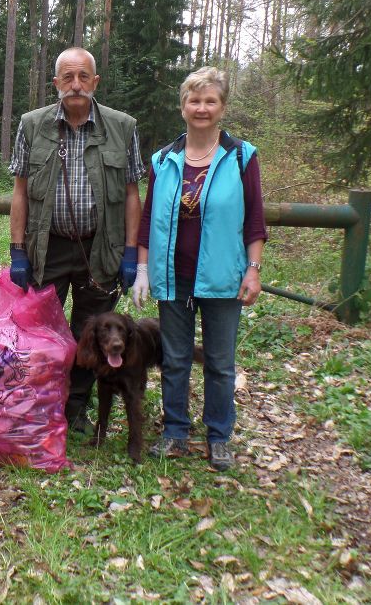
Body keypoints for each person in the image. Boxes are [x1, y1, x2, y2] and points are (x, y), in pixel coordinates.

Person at [133, 66, 267, 471]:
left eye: (210, 100)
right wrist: (142, 268)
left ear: (222, 107)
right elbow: (149, 215)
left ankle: (219, 435)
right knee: (174, 357)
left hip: (223, 274)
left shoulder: (242, 157)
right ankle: (175, 431)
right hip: (173, 275)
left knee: (219, 361)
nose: (202, 108)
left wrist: (253, 268)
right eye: (195, 100)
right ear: (183, 107)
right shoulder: (163, 160)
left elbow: (255, 217)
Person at [8, 46, 144, 434]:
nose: (76, 84)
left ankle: (76, 408)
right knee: (41, 331)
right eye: (67, 77)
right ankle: (41, 403)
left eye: (84, 76)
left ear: (95, 82)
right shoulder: (32, 125)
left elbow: (133, 193)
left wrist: (131, 251)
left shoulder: (122, 126)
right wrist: (18, 251)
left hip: (100, 248)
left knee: (91, 330)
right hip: (47, 246)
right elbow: (19, 191)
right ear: (56, 83)